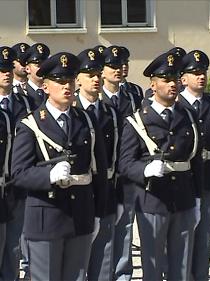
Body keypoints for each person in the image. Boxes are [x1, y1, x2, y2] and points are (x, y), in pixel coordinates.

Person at [11, 52, 108, 281]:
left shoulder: (86, 120)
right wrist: (48, 175)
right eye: (60, 82)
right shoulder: (31, 124)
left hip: (81, 215)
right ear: (45, 87)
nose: (67, 87)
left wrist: (98, 214)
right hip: (47, 219)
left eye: (70, 81)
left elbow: (99, 171)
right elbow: (19, 173)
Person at [119, 49, 201, 280]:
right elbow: (125, 163)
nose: (172, 84)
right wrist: (144, 170)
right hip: (153, 198)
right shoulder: (137, 121)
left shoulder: (188, 117)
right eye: (166, 80)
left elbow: (196, 160)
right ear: (153, 85)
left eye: (175, 79)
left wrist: (197, 197)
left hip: (183, 197)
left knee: (182, 267)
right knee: (153, 265)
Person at [176, 50, 210, 281]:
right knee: (183, 237)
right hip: (184, 179)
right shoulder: (177, 103)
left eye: (203, 72)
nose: (201, 77)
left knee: (205, 235)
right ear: (183, 78)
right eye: (195, 73)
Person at [74, 48, 119, 281]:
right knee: (78, 260)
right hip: (79, 192)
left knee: (104, 258)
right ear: (77, 79)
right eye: (88, 74)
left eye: (97, 73)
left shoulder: (110, 112)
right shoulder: (72, 112)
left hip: (107, 189)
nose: (95, 78)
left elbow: (117, 155)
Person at [101, 45, 143, 281]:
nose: (118, 70)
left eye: (121, 65)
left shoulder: (133, 95)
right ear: (103, 71)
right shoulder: (95, 98)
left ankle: (123, 273)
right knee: (102, 225)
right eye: (113, 66)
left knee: (125, 223)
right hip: (104, 171)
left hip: (126, 170)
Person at [0, 46, 33, 281]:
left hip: (18, 184)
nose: (6, 74)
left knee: (13, 246)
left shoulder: (26, 103)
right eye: (1, 69)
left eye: (9, 68)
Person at [22, 43, 50, 109]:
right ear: (27, 69)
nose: (42, 68)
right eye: (38, 65)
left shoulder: (53, 91)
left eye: (44, 65)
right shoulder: (20, 92)